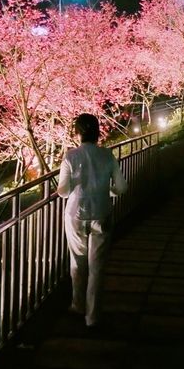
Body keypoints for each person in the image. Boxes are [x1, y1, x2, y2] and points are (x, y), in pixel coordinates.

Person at [56, 112, 128, 328]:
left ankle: (77, 305)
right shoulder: (107, 155)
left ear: (77, 133)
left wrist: (73, 185)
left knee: (77, 262)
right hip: (102, 212)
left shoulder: (70, 156)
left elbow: (63, 191)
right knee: (97, 266)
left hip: (76, 214)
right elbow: (121, 187)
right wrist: (109, 192)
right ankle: (93, 316)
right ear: (98, 132)